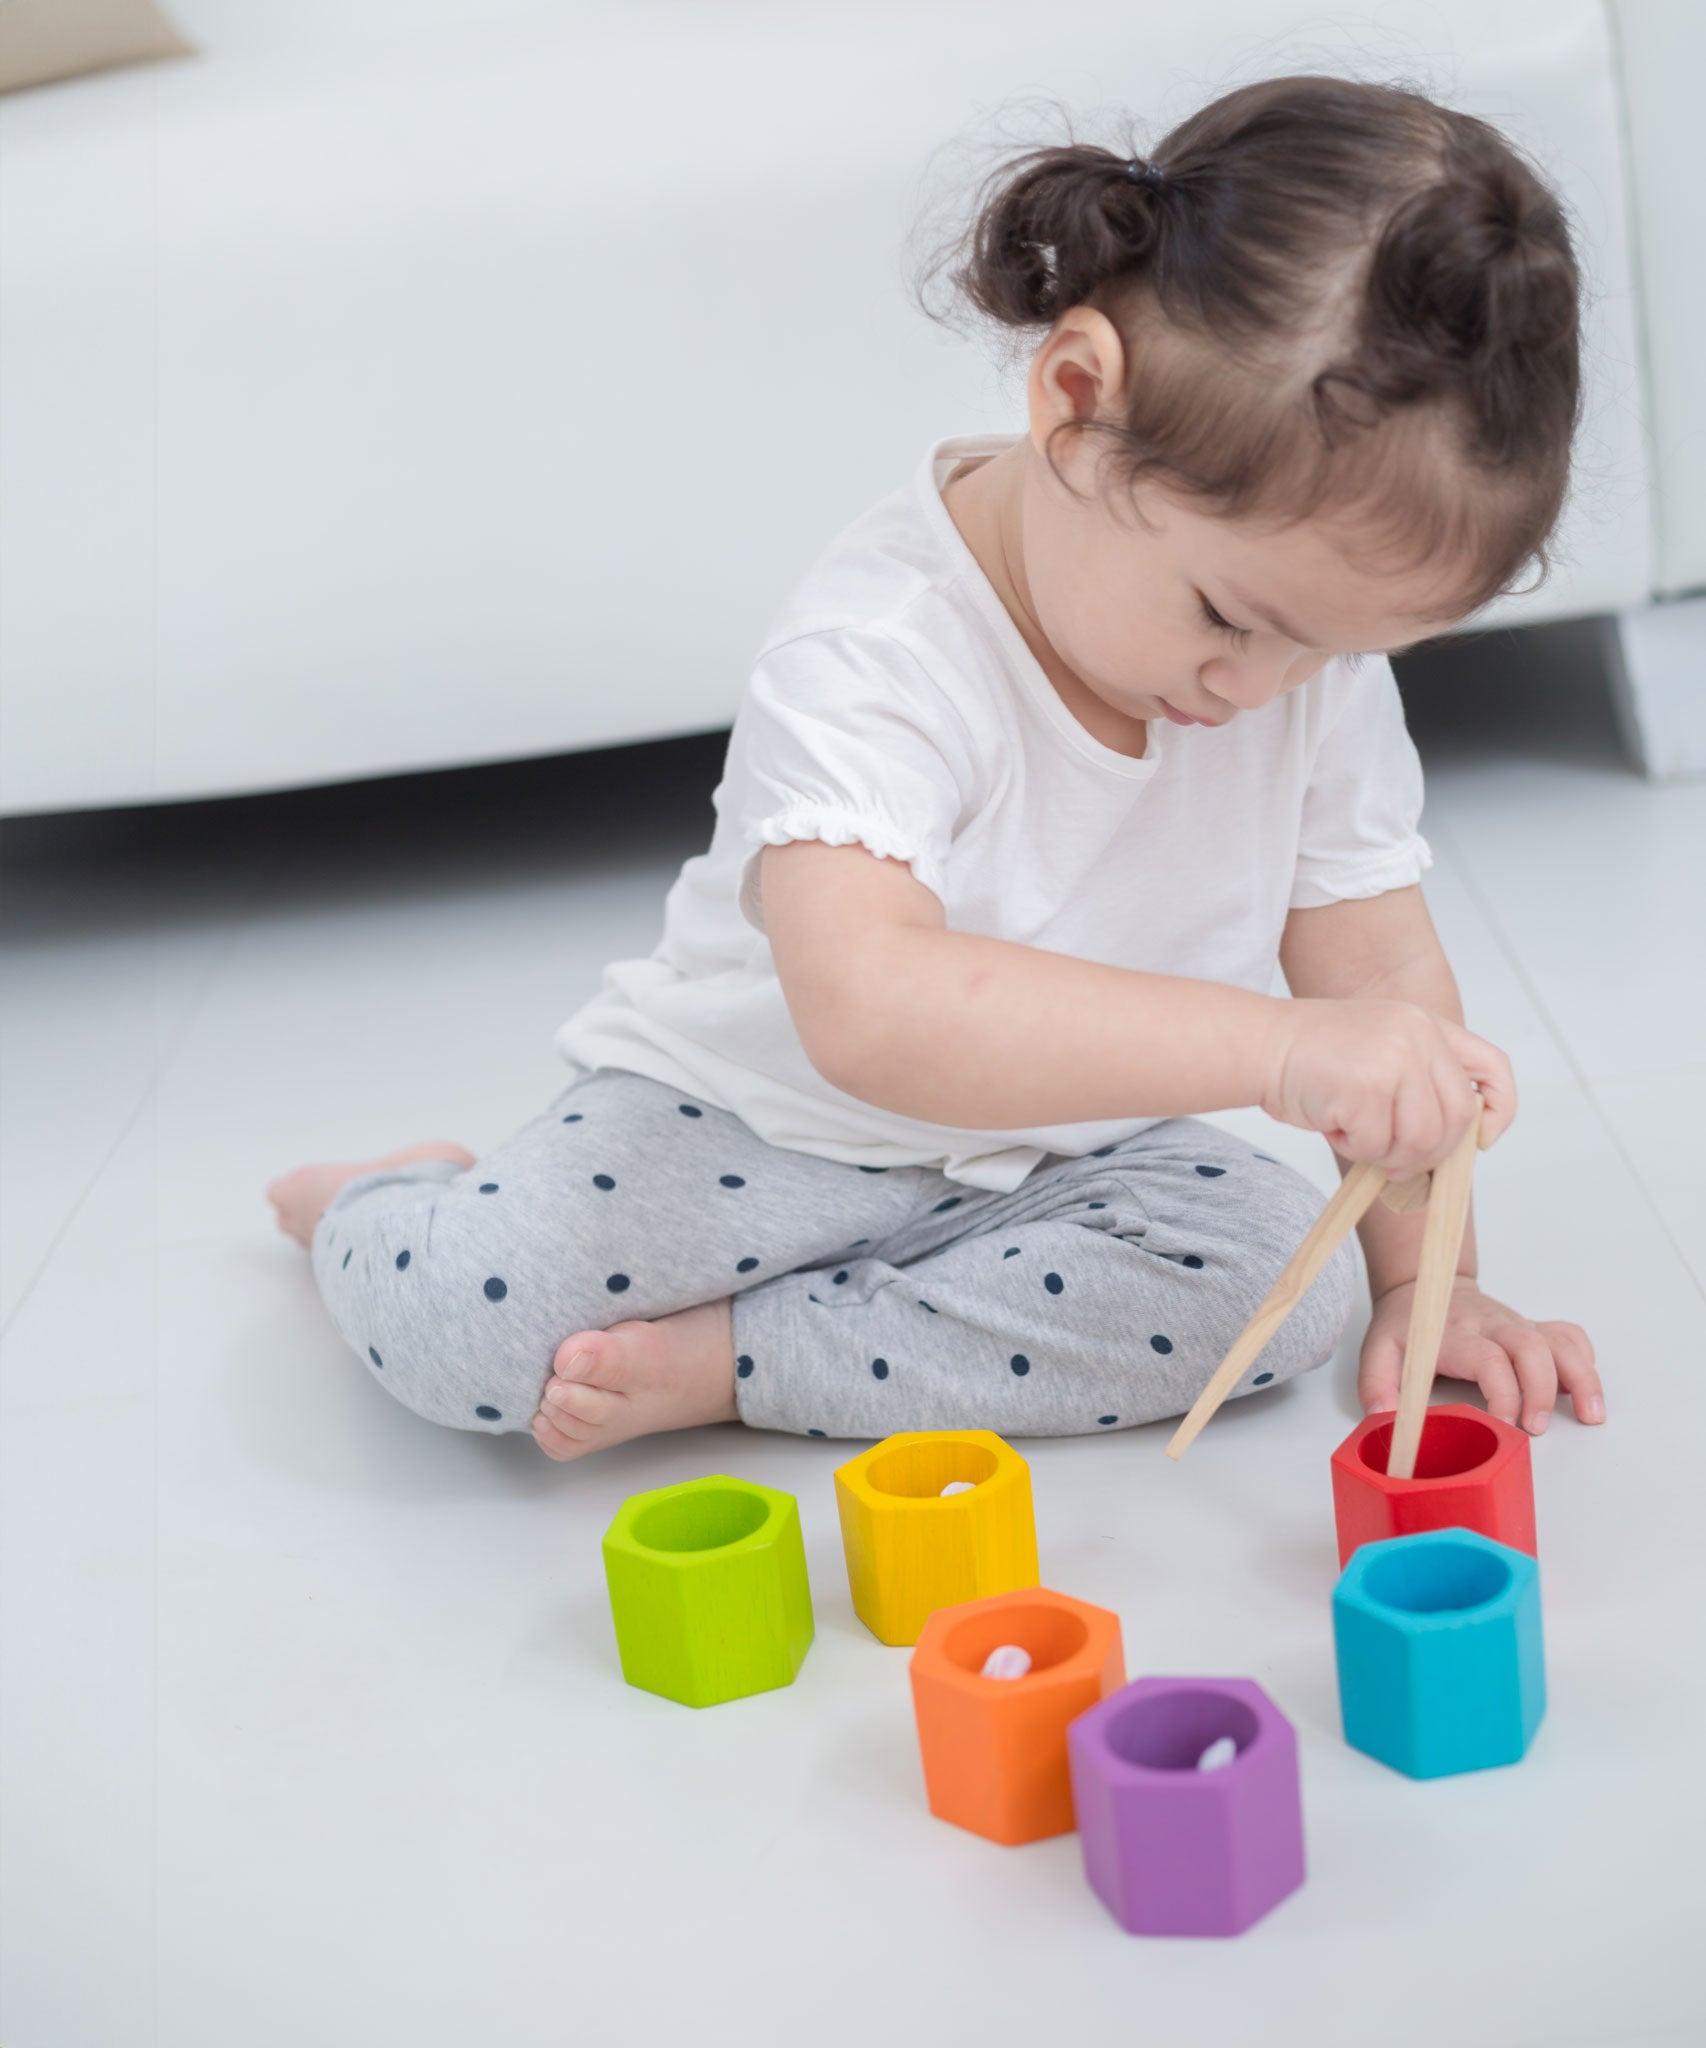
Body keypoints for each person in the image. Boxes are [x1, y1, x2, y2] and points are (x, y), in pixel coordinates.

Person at [267, 75, 1604, 1462]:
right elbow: (870, 1008)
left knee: (1286, 1290)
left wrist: (1425, 1282)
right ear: (1076, 401)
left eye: (1326, 651)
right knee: (475, 1329)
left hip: (1064, 1162)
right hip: (760, 1127)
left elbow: (1374, 973)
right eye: (1229, 618)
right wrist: (1278, 1053)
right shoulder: (880, 647)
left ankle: (742, 1357)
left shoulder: (1300, 667)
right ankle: (394, 1201)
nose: (1256, 692)